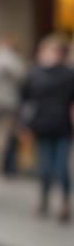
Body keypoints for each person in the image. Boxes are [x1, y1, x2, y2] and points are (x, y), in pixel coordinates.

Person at [19, 36, 74, 222]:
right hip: (42, 128)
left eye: (49, 51)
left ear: (58, 54)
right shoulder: (34, 75)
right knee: (44, 168)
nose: (44, 55)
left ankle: (65, 203)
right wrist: (25, 125)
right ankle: (44, 199)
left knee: (61, 168)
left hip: (63, 128)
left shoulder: (68, 75)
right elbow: (25, 101)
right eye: (43, 51)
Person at [0, 34, 26, 177]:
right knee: (6, 136)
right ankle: (5, 167)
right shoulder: (14, 60)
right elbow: (22, 78)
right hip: (10, 103)